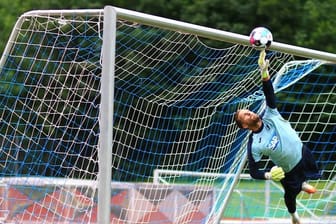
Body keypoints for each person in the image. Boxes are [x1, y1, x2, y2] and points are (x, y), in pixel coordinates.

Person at [234, 50, 321, 224]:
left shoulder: (270, 115)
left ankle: (302, 184)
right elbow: (253, 172)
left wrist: (264, 74)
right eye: (246, 115)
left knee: (315, 174)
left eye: (248, 111)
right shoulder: (255, 144)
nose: (250, 113)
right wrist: (268, 175)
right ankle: (294, 217)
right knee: (290, 197)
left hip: (303, 153)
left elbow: (269, 94)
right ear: (244, 125)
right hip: (288, 170)